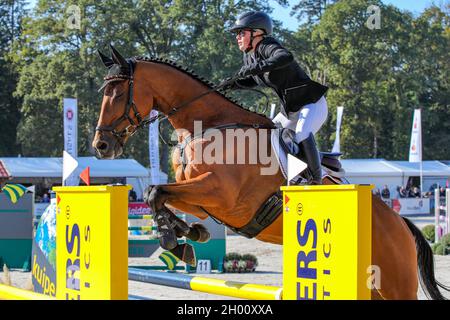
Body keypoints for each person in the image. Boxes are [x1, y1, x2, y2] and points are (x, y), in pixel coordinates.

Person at [225, 11, 329, 184]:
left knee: (302, 133)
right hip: (290, 112)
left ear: (257, 33)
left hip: (311, 104)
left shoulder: (267, 45)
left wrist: (257, 67)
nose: (237, 37)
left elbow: (285, 57)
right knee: (269, 136)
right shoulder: (249, 56)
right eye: (237, 34)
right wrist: (230, 85)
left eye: (241, 32)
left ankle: (315, 181)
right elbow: (253, 79)